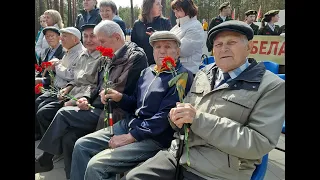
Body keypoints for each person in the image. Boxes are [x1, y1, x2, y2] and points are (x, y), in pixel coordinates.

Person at [121, 20, 285, 180]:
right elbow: (185, 113)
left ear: (249, 47)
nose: (223, 49)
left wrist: (197, 119)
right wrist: (175, 118)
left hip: (216, 171)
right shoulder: (204, 73)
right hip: (178, 155)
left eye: (231, 42)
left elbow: (258, 143)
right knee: (133, 177)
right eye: (218, 45)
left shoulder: (271, 86)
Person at [70, 31, 193, 180]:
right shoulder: (147, 72)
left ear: (178, 51)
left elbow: (164, 118)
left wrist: (131, 137)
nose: (162, 51)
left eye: (168, 46)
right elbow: (135, 103)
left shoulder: (181, 76)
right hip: (131, 124)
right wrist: (120, 97)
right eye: (157, 47)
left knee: (97, 166)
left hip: (154, 137)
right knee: (82, 145)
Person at [34, 20, 148, 179]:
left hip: (115, 113)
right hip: (100, 106)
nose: (98, 45)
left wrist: (93, 99)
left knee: (63, 113)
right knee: (69, 138)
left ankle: (46, 159)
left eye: (101, 41)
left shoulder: (134, 56)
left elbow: (121, 92)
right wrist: (85, 99)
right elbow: (96, 85)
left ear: (116, 37)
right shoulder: (109, 55)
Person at [35, 27, 85, 137]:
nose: (61, 39)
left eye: (65, 36)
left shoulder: (80, 53)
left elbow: (72, 75)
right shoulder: (69, 50)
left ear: (75, 39)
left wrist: (57, 66)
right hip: (58, 88)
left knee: (43, 111)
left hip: (68, 92)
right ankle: (43, 137)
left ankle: (51, 144)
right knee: (38, 102)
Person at [35, 26, 65, 141]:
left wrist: (41, 81)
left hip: (54, 85)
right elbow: (43, 70)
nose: (49, 38)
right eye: (47, 36)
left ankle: (39, 133)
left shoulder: (62, 51)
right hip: (46, 82)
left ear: (59, 37)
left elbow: (59, 75)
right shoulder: (48, 51)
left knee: (38, 99)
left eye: (52, 36)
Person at [131, 0, 172, 65]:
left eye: (160, 4)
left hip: (162, 64)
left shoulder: (165, 22)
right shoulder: (138, 24)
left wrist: (156, 36)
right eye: (158, 4)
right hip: (142, 64)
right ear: (149, 6)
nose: (161, 6)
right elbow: (133, 46)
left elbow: (170, 43)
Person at [170, 0, 204, 75]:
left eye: (178, 11)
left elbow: (183, 51)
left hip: (188, 72)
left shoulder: (195, 27)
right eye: (174, 12)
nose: (176, 15)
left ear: (187, 9)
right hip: (176, 70)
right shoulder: (179, 26)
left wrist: (166, 45)